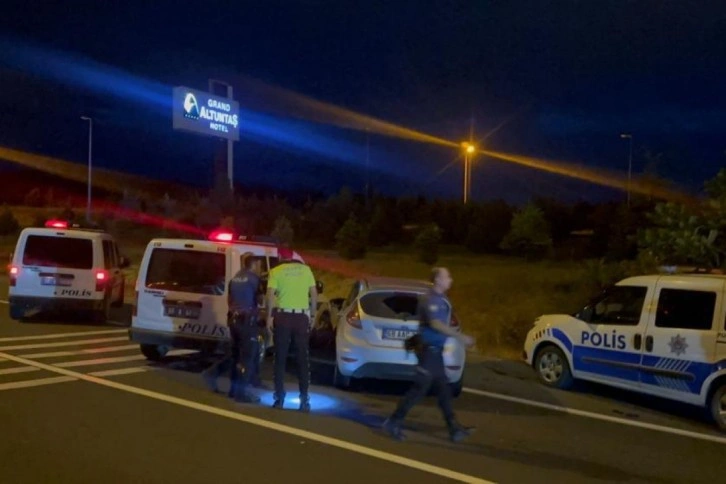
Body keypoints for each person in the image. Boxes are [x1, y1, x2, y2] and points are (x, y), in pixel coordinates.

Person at [383, 267, 476, 443]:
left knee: (443, 390)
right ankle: (393, 421)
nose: (450, 280)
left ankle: (454, 428)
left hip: (436, 353)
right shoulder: (431, 299)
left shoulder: (441, 299)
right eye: (447, 276)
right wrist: (460, 337)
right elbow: (435, 324)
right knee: (419, 390)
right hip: (429, 352)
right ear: (438, 280)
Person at [203, 253, 262, 403]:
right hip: (247, 321)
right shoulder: (254, 279)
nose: (260, 268)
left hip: (234, 320)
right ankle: (240, 392)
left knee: (236, 355)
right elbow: (259, 300)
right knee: (247, 357)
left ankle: (232, 389)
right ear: (254, 265)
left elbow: (230, 300)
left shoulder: (235, 278)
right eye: (259, 265)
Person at [266, 247, 317, 412]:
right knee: (302, 358)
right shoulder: (306, 269)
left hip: (284, 317)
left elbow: (270, 296)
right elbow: (314, 294)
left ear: (280, 257)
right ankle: (304, 400)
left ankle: (279, 398)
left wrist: (269, 316)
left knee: (280, 357)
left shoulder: (275, 271)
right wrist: (313, 314)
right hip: (301, 317)